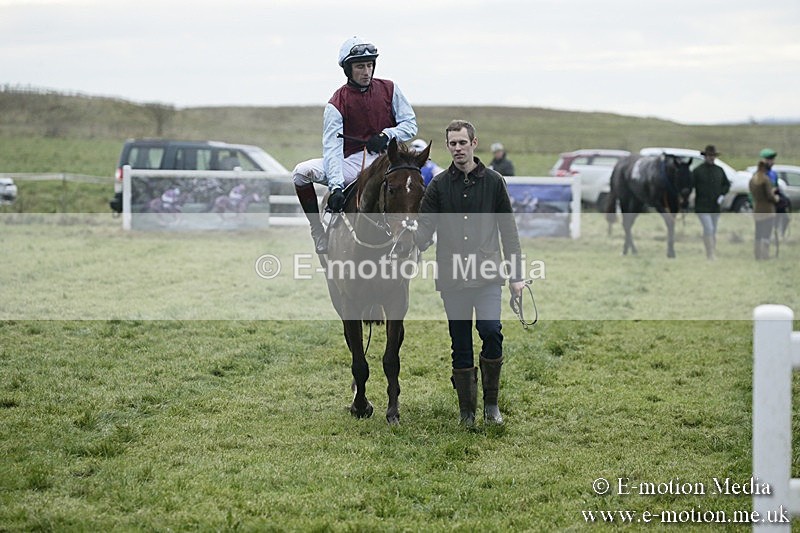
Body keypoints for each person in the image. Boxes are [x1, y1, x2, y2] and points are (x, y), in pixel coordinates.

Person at [416, 120, 526, 427]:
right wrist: (411, 233)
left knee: (491, 330)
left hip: (488, 275)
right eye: (452, 144)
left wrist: (517, 276)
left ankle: (491, 405)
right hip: (452, 279)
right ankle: (467, 413)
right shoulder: (438, 185)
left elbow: (509, 232)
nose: (457, 149)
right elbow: (425, 228)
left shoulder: (494, 182)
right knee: (460, 342)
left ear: (474, 144)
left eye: (462, 142)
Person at [292, 37, 418, 254]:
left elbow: (410, 124)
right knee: (300, 173)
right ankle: (317, 231)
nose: (366, 71)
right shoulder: (336, 103)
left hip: (386, 160)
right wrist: (337, 186)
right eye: (360, 66)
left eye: (370, 65)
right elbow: (331, 149)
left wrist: (387, 135)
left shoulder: (390, 89)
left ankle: (418, 236)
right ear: (348, 69)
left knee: (411, 185)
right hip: (350, 163)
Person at [691, 145, 730, 259]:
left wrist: (722, 195)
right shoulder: (697, 171)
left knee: (713, 230)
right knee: (709, 229)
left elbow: (726, 185)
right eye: (709, 156)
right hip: (702, 206)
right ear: (705, 156)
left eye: (713, 156)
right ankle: (710, 253)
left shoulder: (719, 170)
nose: (711, 158)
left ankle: (712, 251)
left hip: (715, 206)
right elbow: (690, 185)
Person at [749, 160, 780, 260]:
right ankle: (765, 255)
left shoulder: (753, 179)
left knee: (758, 234)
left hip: (757, 209)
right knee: (766, 234)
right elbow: (770, 196)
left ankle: (757, 255)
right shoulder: (766, 180)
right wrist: (776, 198)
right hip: (767, 210)